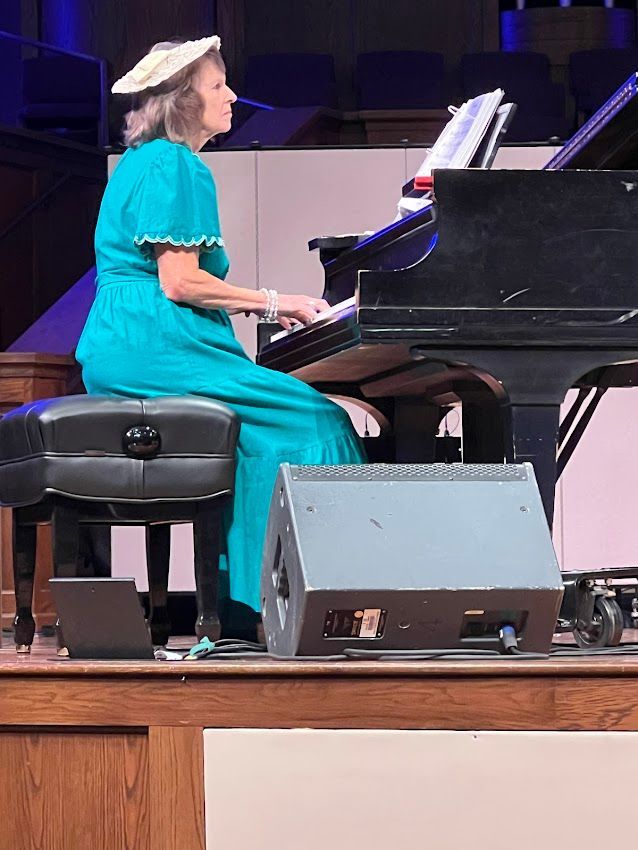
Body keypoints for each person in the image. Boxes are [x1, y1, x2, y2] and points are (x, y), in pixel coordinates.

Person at [76, 36, 366, 631]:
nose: (231, 95)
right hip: (157, 344)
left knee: (259, 427)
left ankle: (250, 603)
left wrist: (259, 308)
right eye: (217, 86)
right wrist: (271, 301)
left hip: (124, 342)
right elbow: (180, 283)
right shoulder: (177, 163)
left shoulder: (139, 163)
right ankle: (312, 600)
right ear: (184, 101)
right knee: (318, 421)